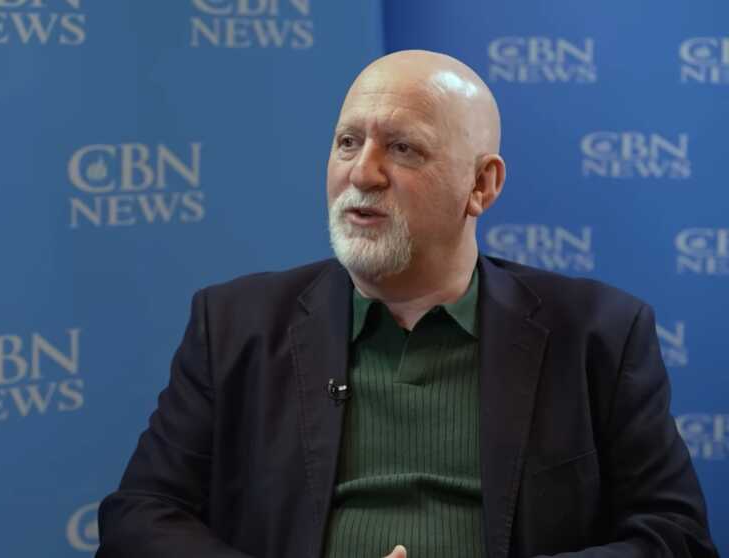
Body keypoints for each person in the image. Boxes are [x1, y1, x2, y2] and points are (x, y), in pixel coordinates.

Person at [96, 50, 718, 558]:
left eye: (402, 148)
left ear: (481, 185)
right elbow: (139, 519)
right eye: (347, 142)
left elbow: (675, 536)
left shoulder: (598, 333)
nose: (362, 174)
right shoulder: (235, 324)